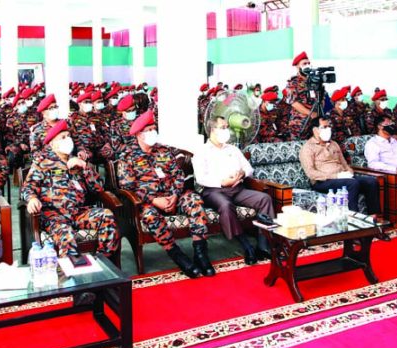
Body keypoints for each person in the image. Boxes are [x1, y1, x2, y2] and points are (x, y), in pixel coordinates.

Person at [118, 110, 212, 278]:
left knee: (195, 200)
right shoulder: (127, 156)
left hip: (173, 196)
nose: (153, 132)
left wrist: (175, 195)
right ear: (139, 134)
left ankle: (200, 252)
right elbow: (128, 186)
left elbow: (178, 175)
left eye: (154, 128)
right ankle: (176, 254)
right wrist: (154, 200)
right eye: (149, 130)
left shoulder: (164, 150)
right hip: (149, 202)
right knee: (149, 216)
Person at [192, 94, 273, 265]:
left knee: (264, 199)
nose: (226, 130)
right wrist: (223, 182)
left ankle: (263, 245)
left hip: (237, 189)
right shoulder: (202, 152)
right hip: (214, 191)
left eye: (227, 127)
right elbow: (201, 178)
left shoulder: (233, 149)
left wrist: (241, 175)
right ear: (212, 130)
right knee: (226, 206)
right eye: (223, 127)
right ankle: (246, 246)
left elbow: (249, 168)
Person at [21, 120, 119, 259]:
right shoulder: (42, 163)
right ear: (52, 144)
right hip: (54, 216)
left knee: (107, 216)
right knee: (66, 234)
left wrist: (85, 168)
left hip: (77, 213)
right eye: (62, 137)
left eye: (68, 136)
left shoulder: (77, 161)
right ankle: (70, 274)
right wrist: (32, 199)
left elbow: (98, 188)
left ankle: (104, 262)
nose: (67, 140)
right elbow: (28, 187)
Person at [301, 117, 380, 215]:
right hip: (323, 181)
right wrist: (336, 176)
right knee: (352, 184)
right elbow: (311, 173)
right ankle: (353, 218)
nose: (328, 129)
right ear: (315, 130)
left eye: (329, 126)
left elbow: (344, 163)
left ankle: (374, 217)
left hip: (343, 177)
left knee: (371, 181)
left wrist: (349, 172)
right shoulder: (308, 147)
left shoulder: (334, 144)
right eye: (324, 127)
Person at [284, 51, 318, 141]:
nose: (307, 65)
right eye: (304, 63)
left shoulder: (313, 81)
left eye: (308, 63)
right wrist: (310, 114)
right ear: (298, 66)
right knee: (300, 147)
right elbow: (293, 102)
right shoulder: (293, 82)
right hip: (300, 122)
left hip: (314, 120)